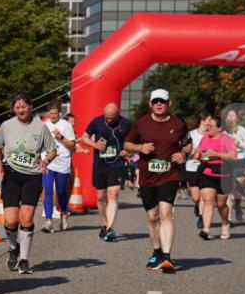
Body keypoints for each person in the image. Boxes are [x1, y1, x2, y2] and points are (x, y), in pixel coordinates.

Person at [123, 89, 190, 273]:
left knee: (166, 213)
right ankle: (157, 251)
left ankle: (167, 257)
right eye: (155, 101)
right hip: (147, 177)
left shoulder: (178, 123)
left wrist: (183, 153)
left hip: (170, 175)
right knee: (152, 217)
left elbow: (188, 142)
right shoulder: (142, 123)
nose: (159, 104)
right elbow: (127, 144)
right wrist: (140, 147)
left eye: (162, 101)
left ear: (170, 103)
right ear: (150, 104)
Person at [0, 93, 58, 275]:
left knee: (26, 218)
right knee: (10, 220)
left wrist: (46, 161)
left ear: (30, 106)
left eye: (24, 106)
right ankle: (13, 248)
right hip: (11, 175)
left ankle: (24, 259)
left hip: (32, 176)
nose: (21, 110)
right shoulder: (6, 126)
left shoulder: (40, 126)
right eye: (17, 107)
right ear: (13, 109)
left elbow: (52, 150)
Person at [79, 103, 132, 241]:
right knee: (101, 197)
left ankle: (109, 228)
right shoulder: (97, 121)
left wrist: (129, 150)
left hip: (117, 164)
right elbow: (84, 137)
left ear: (118, 114)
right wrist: (94, 144)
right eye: (107, 118)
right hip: (100, 164)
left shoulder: (126, 123)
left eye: (112, 118)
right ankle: (104, 224)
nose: (109, 120)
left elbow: (134, 141)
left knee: (113, 194)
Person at [193, 115, 236, 240]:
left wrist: (216, 154)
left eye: (211, 126)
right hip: (207, 172)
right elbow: (198, 153)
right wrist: (196, 154)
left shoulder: (228, 140)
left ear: (220, 128)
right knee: (208, 201)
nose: (207, 127)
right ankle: (206, 229)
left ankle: (224, 224)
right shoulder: (205, 138)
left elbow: (233, 157)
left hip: (224, 174)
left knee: (222, 204)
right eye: (207, 125)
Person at [40, 100, 77, 233]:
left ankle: (63, 213)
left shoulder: (66, 125)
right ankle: (49, 221)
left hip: (63, 161)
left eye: (55, 114)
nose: (53, 116)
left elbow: (72, 145)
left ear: (60, 113)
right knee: (48, 190)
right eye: (51, 114)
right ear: (48, 113)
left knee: (61, 192)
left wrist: (60, 137)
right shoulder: (43, 125)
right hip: (48, 162)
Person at [224, 108, 245, 222]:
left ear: (237, 118)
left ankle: (238, 207)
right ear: (226, 118)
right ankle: (228, 216)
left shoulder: (242, 130)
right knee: (229, 189)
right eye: (229, 115)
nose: (231, 117)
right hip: (227, 160)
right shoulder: (223, 131)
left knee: (238, 190)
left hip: (240, 159)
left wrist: (238, 142)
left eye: (233, 115)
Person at [182, 113, 209, 230]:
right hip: (191, 166)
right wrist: (194, 152)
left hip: (206, 167)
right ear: (202, 121)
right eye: (208, 120)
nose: (210, 123)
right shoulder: (191, 134)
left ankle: (202, 218)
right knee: (196, 197)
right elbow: (184, 148)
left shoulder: (211, 135)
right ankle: (197, 207)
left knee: (204, 195)